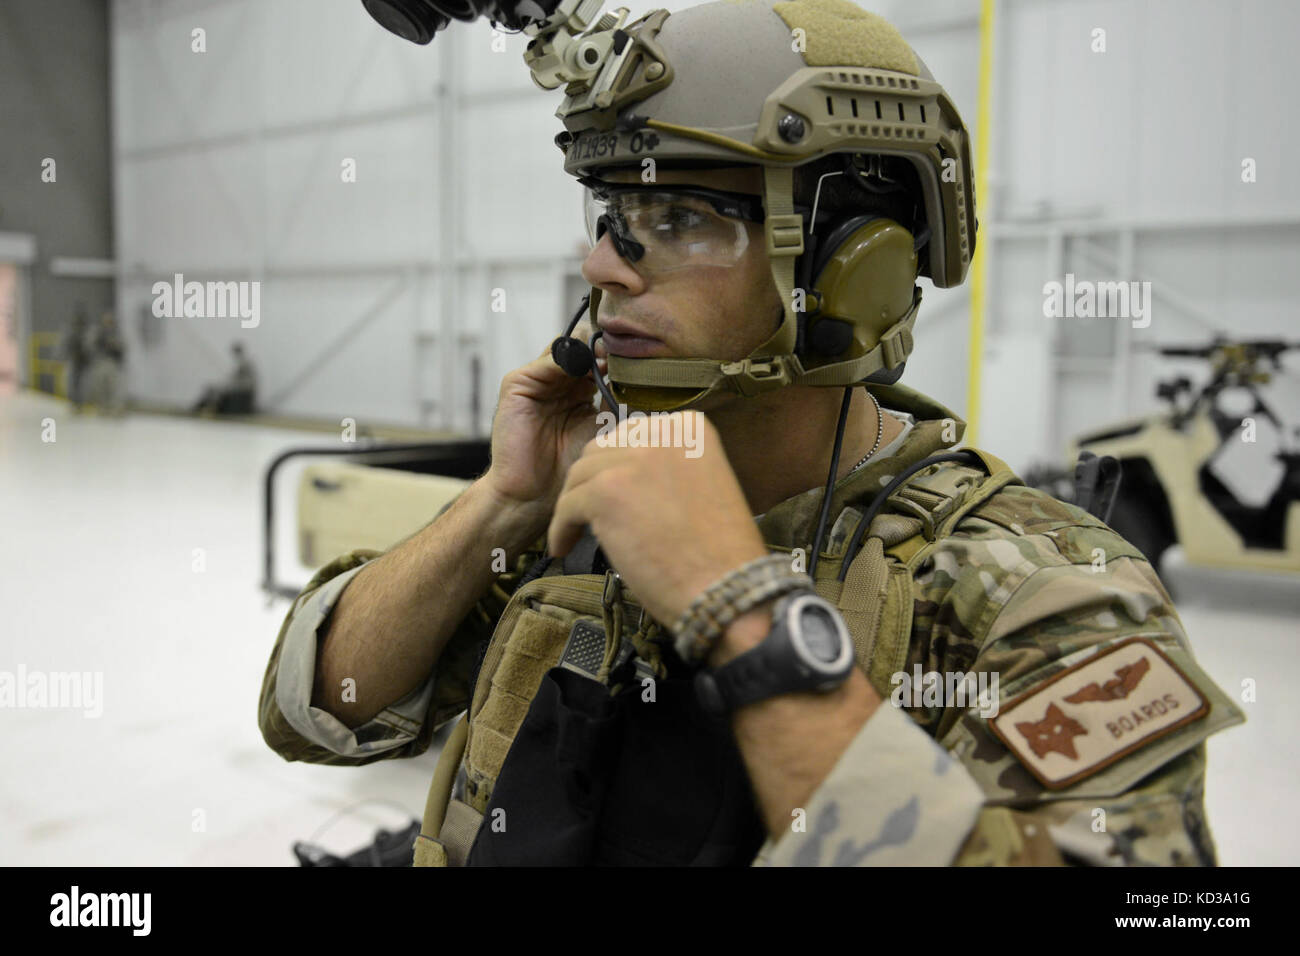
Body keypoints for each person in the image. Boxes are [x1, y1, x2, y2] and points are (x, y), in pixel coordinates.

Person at [259, 0, 1243, 866]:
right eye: (612, 211)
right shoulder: (581, 504)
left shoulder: (1034, 591)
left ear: (856, 266)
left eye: (680, 216)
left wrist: (740, 606)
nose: (604, 264)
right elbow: (315, 709)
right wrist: (503, 501)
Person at [82, 310, 126, 416]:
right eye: (106, 320)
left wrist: (115, 346)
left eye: (110, 320)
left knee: (114, 387)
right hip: (100, 361)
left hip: (112, 362)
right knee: (101, 386)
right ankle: (103, 407)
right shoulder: (97, 333)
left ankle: (115, 407)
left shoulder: (117, 333)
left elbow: (123, 347)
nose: (108, 323)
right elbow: (89, 346)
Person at [193, 343, 257, 415]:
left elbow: (240, 381)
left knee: (215, 391)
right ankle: (206, 408)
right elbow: (234, 379)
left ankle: (205, 409)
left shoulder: (244, 364)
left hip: (244, 391)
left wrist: (225, 386)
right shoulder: (244, 363)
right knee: (215, 389)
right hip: (242, 389)